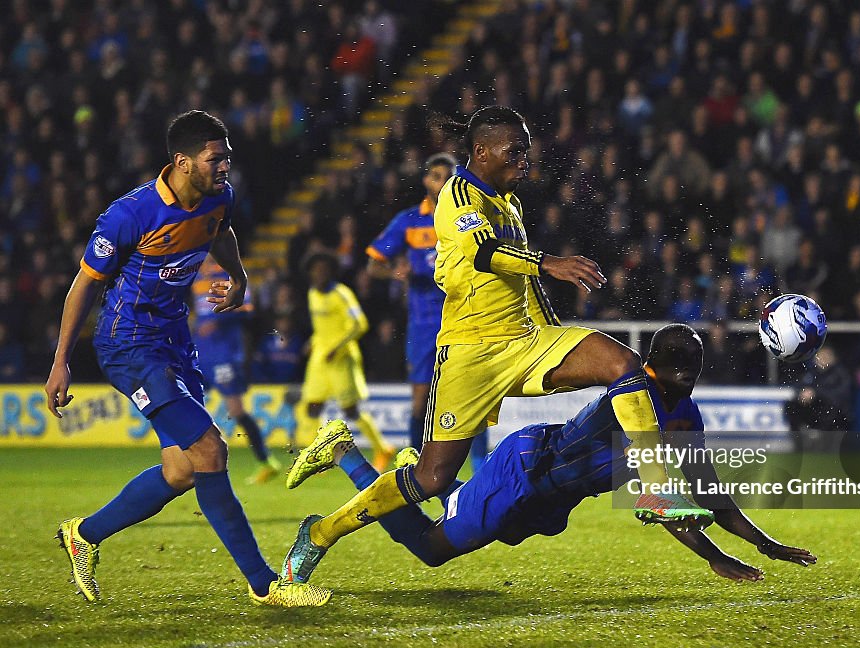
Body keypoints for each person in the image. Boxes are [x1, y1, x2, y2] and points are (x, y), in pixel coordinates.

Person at [285, 106, 710, 561]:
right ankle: (322, 533)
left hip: (524, 340)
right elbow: (484, 253)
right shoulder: (458, 193)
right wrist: (549, 262)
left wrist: (555, 336)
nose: (525, 162)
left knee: (622, 363)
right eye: (515, 152)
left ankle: (658, 488)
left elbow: (522, 284)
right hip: (471, 352)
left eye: (527, 153)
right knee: (432, 479)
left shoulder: (511, 204)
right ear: (482, 151)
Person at [44, 110, 331, 607]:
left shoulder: (219, 197)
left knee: (181, 470)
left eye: (227, 157)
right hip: (128, 344)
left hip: (175, 340)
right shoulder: (129, 214)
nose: (225, 166)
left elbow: (221, 231)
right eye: (214, 158)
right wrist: (61, 360)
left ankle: (84, 534)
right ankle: (267, 585)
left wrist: (237, 278)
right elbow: (84, 283)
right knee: (210, 450)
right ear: (182, 162)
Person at [281, 324, 816, 583]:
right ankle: (346, 455)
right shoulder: (631, 400)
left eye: (693, 376)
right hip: (525, 468)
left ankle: (396, 476)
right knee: (430, 551)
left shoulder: (685, 416)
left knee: (441, 538)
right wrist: (718, 558)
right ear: (650, 368)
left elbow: (706, 495)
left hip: (553, 499)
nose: (686, 386)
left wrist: (768, 546)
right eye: (679, 374)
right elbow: (661, 502)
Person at [365, 152, 488, 469]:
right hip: (424, 323)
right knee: (420, 398)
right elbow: (373, 265)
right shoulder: (409, 221)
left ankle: (480, 468)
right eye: (436, 176)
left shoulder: (467, 217)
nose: (442, 182)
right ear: (425, 180)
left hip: (465, 316)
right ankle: (411, 466)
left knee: (473, 395)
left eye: (448, 176)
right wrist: (396, 272)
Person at [294, 252, 394, 469]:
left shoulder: (341, 294)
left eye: (324, 269)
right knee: (312, 406)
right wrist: (312, 341)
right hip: (321, 357)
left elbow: (360, 324)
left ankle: (382, 447)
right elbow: (323, 328)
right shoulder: (312, 293)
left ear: (331, 271)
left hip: (342, 357)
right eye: (316, 269)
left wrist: (337, 347)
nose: (319, 273)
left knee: (350, 410)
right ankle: (318, 455)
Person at [190, 257, 282, 484]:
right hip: (201, 352)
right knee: (190, 403)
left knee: (236, 409)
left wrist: (219, 320)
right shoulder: (196, 274)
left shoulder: (227, 271)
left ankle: (266, 461)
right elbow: (198, 309)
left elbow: (247, 307)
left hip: (225, 353)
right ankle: (194, 463)